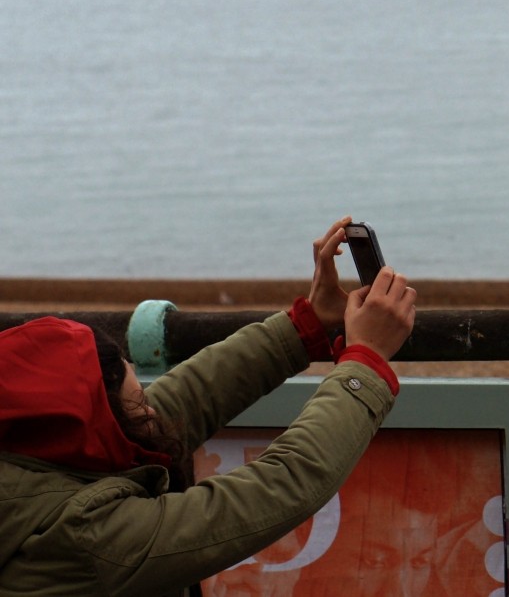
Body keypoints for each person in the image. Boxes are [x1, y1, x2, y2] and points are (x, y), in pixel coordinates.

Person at [0, 218, 417, 597]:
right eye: (139, 403)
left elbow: (185, 399)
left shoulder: (33, 455)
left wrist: (303, 328)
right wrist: (365, 363)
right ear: (92, 423)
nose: (151, 410)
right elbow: (282, 485)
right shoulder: (84, 537)